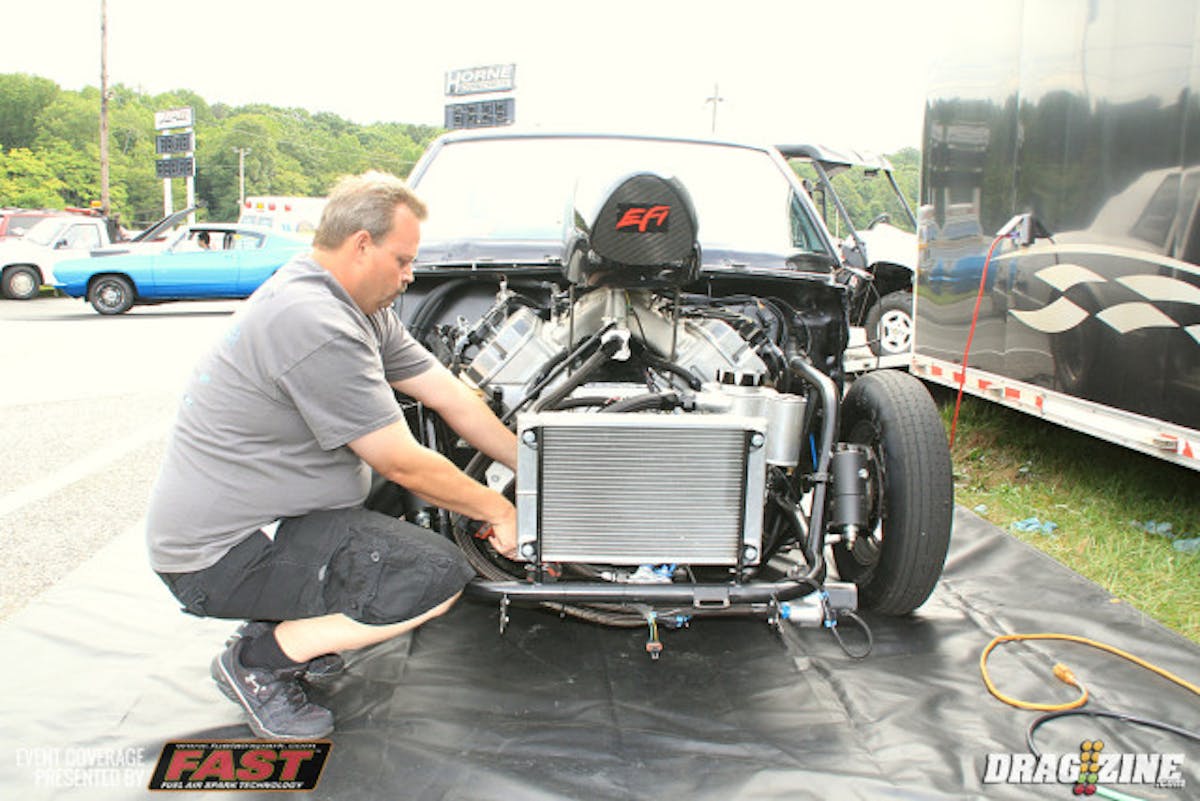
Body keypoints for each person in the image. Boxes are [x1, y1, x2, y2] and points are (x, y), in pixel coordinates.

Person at [145, 171, 518, 739]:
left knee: (397, 516)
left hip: (268, 521)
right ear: (361, 245)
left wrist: (532, 467)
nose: (410, 275)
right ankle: (259, 661)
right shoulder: (313, 320)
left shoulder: (357, 307)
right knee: (436, 575)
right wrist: (500, 510)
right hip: (220, 556)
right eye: (402, 260)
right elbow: (400, 461)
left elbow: (450, 397)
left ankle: (284, 629)